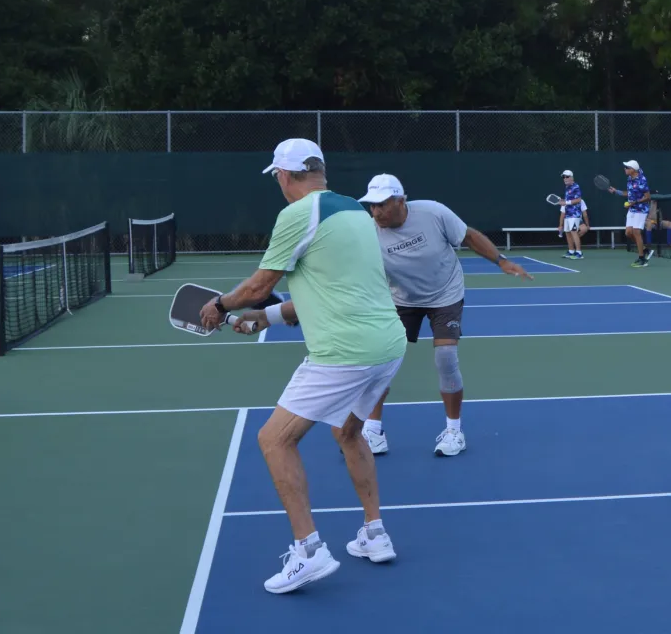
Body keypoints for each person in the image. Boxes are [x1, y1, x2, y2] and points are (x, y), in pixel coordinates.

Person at [209, 139, 407, 594]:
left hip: (344, 353)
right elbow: (330, 290)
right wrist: (266, 317)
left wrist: (219, 305)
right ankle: (375, 534)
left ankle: (309, 550)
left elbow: (261, 283)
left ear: (283, 175)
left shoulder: (297, 215)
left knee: (274, 439)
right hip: (388, 346)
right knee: (349, 432)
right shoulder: (357, 213)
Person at [355, 174, 533, 457]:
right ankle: (373, 431)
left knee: (446, 358)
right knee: (379, 361)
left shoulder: (433, 213)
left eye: (382, 205)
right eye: (371, 205)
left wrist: (502, 261)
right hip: (400, 298)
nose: (376, 212)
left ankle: (454, 431)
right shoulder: (366, 231)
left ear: (401, 201)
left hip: (445, 293)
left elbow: (470, 236)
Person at [607, 160, 653, 267]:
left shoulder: (642, 180)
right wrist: (616, 191)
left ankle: (642, 259)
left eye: (627, 167)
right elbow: (629, 192)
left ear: (633, 170)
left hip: (641, 210)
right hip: (632, 209)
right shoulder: (629, 179)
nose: (625, 169)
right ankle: (645, 250)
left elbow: (648, 197)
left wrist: (634, 202)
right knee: (628, 233)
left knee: (636, 232)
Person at [558, 170, 588, 259]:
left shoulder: (575, 187)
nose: (565, 179)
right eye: (564, 177)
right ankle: (571, 251)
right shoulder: (567, 187)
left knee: (574, 232)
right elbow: (570, 201)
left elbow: (578, 199)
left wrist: (566, 202)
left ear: (571, 177)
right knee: (567, 233)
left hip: (574, 215)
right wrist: (564, 202)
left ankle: (579, 253)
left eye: (567, 177)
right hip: (568, 214)